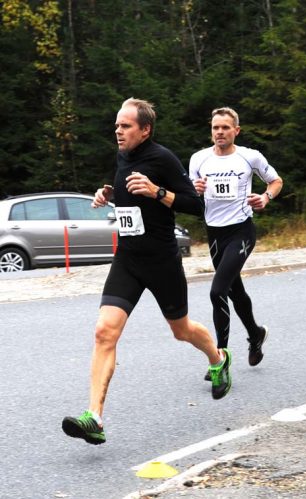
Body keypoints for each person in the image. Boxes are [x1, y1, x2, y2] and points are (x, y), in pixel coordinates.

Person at [62, 98, 231, 446]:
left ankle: (218, 358)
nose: (118, 131)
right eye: (117, 126)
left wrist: (158, 192)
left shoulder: (163, 158)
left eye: (125, 126)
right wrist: (108, 193)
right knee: (104, 332)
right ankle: (94, 417)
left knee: (181, 330)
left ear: (145, 130)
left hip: (161, 261)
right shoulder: (124, 156)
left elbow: (195, 205)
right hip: (127, 258)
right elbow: (127, 197)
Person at [189, 107, 283, 378]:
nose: (220, 132)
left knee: (217, 290)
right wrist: (194, 190)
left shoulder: (250, 157)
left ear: (236, 131)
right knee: (234, 291)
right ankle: (256, 334)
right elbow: (191, 193)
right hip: (214, 234)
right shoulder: (199, 159)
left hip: (241, 232)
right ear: (211, 130)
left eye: (225, 128)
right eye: (215, 127)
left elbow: (276, 181)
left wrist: (265, 197)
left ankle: (220, 357)